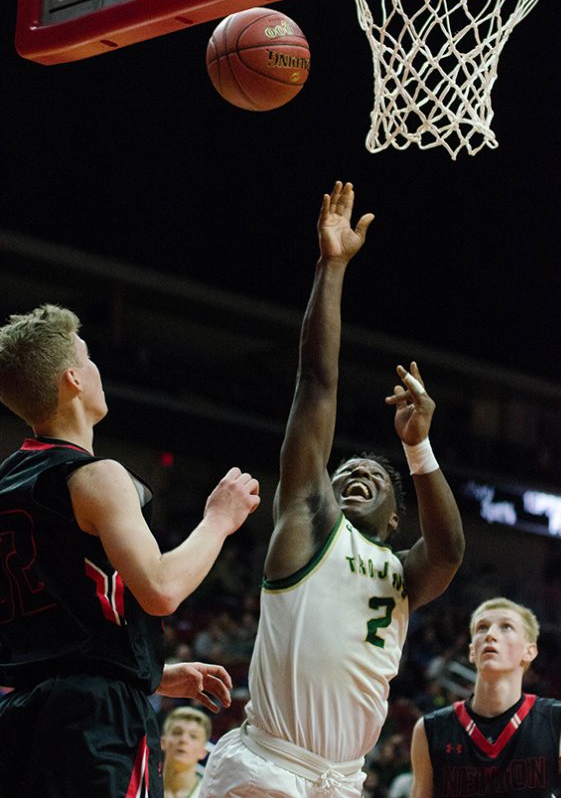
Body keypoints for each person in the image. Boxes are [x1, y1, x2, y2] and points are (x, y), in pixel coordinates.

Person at [200, 180, 465, 797]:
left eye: (376, 477)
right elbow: (317, 383)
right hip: (266, 770)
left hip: (342, 783)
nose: (355, 474)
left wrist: (417, 446)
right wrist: (332, 266)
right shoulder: (310, 521)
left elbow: (449, 550)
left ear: (396, 519)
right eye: (344, 471)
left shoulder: (403, 573)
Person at [0, 304, 260, 797]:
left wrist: (150, 673)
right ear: (74, 379)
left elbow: (55, 628)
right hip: (97, 724)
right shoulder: (96, 476)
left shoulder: (8, 485)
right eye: (89, 357)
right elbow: (160, 590)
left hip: (21, 718)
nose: (99, 369)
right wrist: (218, 520)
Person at [409, 597, 561, 797]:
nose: (490, 635)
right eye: (482, 628)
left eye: (506, 627)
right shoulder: (430, 729)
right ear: (472, 651)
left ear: (529, 651)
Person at [162, 706, 212, 798]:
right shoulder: (140, 786)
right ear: (163, 742)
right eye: (177, 733)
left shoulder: (211, 794)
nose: (183, 739)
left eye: (193, 736)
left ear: (203, 752)